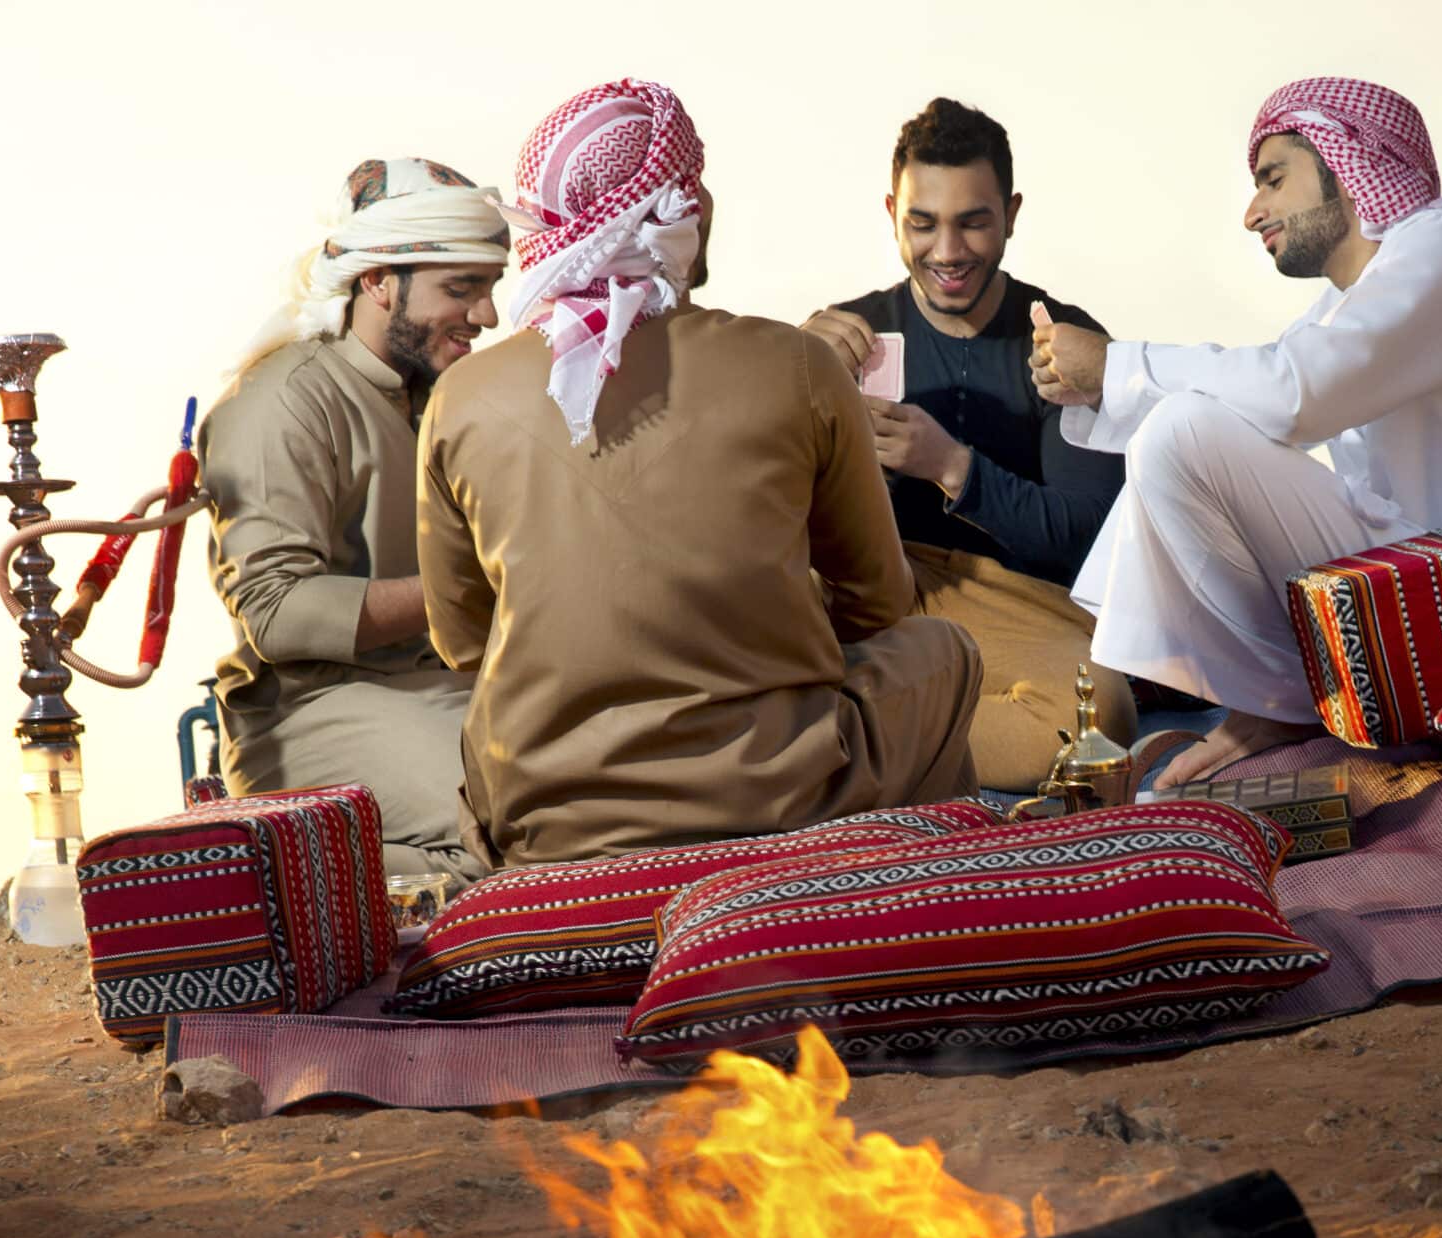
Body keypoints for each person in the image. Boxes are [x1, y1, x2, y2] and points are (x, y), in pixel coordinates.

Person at [418, 81, 980, 867]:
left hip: (544, 819)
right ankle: (912, 924)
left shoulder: (461, 397)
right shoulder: (800, 365)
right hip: (774, 802)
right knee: (943, 651)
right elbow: (877, 605)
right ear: (683, 205)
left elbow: (464, 642)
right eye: (699, 180)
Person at [1031, 77, 1442, 781]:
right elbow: (1255, 402)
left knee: (1184, 429)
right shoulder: (1344, 302)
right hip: (1413, 581)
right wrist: (1098, 381)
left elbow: (1296, 393)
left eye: (1272, 178)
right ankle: (1271, 699)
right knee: (1181, 428)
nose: (1251, 211)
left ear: (1345, 163)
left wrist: (1117, 364)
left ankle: (1282, 698)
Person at [801, 97, 1136, 791]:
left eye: (973, 223)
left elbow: (1085, 537)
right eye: (922, 224)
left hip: (1007, 613)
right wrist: (790, 379)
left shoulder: (1059, 338)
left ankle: (826, 744)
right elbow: (769, 515)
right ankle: (858, 726)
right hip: (868, 607)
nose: (948, 253)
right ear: (891, 210)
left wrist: (952, 467)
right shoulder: (844, 334)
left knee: (1097, 708)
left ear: (1011, 214)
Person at [200, 156, 506, 881]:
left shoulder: (438, 393)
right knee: (504, 826)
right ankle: (272, 865)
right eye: (462, 288)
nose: (487, 316)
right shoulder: (284, 400)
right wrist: (469, 592)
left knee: (600, 787)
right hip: (313, 708)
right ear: (376, 280)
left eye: (491, 289)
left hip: (446, 687)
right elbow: (275, 614)